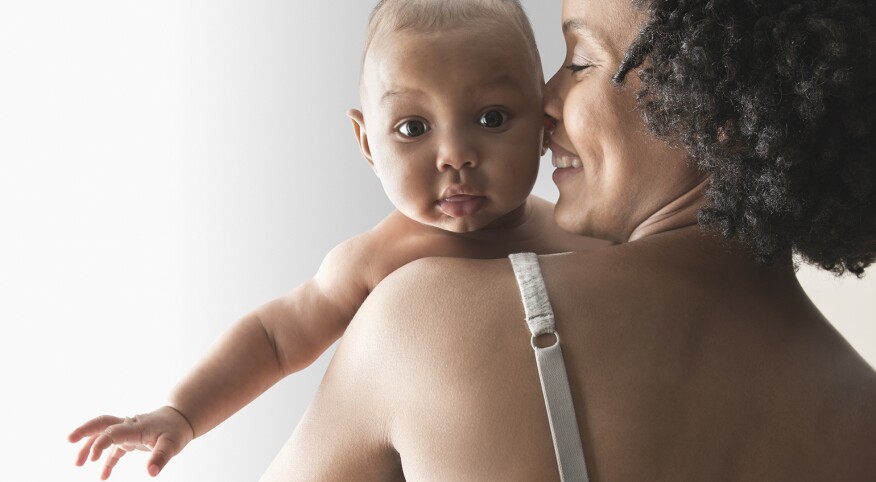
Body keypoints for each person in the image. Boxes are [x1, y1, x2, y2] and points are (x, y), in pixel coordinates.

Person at [259, 0, 876, 480]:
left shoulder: (427, 324)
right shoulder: (860, 414)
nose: (545, 100)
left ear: (718, 108)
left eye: (580, 60)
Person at [67, 0, 608, 479]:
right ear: (367, 142)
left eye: (491, 117)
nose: (454, 154)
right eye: (414, 128)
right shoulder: (381, 258)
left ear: (542, 124)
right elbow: (274, 338)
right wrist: (182, 414)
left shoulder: (591, 238)